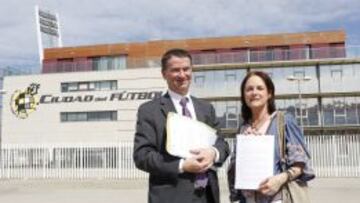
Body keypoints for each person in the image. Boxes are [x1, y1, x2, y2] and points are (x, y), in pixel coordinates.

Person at [133, 48, 230, 203]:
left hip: (207, 196)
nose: (182, 75)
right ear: (164, 74)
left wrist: (213, 153)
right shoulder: (149, 110)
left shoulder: (206, 108)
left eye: (186, 69)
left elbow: (222, 144)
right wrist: (182, 165)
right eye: (175, 70)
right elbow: (142, 156)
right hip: (171, 196)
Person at [227, 71, 315, 203]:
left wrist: (279, 180)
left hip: (277, 198)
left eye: (260, 88)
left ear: (269, 93)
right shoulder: (243, 128)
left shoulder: (284, 121)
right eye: (249, 89)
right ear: (244, 96)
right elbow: (234, 170)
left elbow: (300, 164)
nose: (254, 92)